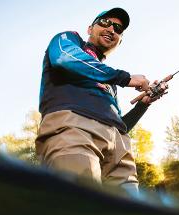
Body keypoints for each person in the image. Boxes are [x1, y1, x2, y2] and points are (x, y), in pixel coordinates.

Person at [35, 7, 167, 195]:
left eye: (118, 29)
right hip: (74, 128)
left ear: (119, 41)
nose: (112, 29)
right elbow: (64, 58)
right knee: (80, 204)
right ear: (90, 29)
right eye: (105, 22)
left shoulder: (110, 82)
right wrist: (126, 78)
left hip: (120, 148)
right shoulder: (69, 39)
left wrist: (143, 104)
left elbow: (120, 125)